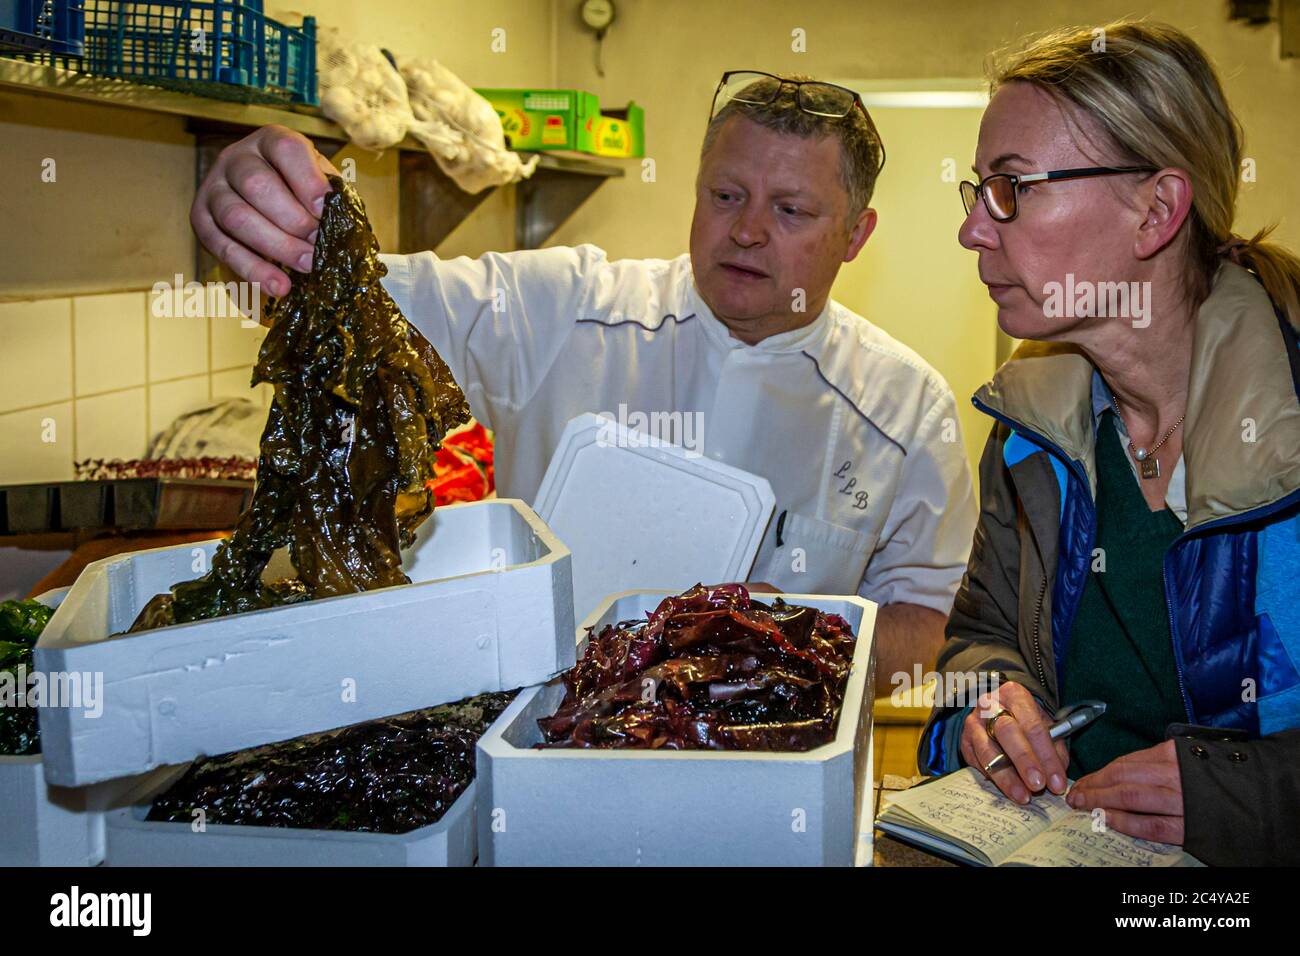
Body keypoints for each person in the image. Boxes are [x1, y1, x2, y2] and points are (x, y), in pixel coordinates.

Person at [189, 72, 978, 691]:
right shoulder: (566, 308)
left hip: (776, 771)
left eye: (793, 210)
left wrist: (773, 665)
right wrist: (277, 204)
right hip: (537, 740)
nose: (746, 230)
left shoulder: (905, 409)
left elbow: (927, 618)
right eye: (726, 195)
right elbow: (368, 299)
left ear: (855, 236)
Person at [919, 20, 1300, 865]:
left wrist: (1256, 798)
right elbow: (978, 642)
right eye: (977, 190)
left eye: (1013, 188)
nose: (974, 231)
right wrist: (987, 709)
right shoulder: (1031, 433)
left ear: (1157, 211)